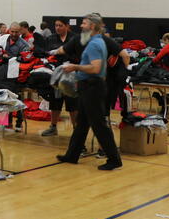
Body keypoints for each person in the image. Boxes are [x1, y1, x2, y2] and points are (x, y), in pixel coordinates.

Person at [56, 13, 122, 171]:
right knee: (82, 124)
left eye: (84, 23)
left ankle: (114, 159)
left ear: (92, 26)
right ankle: (72, 155)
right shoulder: (95, 41)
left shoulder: (94, 44)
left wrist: (75, 67)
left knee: (99, 125)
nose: (81, 26)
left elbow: (95, 68)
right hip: (88, 86)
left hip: (92, 87)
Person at [38, 19, 78, 137]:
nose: (58, 28)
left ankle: (77, 130)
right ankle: (53, 127)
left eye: (60, 25)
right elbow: (47, 54)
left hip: (71, 74)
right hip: (55, 73)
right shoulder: (50, 39)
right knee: (55, 101)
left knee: (72, 103)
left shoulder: (74, 38)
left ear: (67, 26)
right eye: (56, 25)